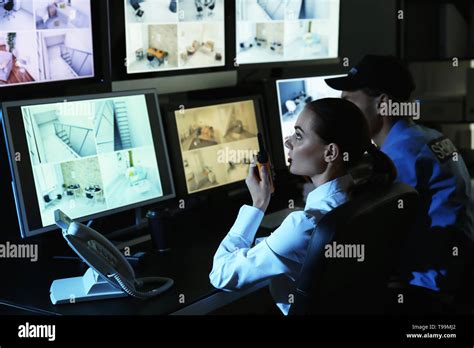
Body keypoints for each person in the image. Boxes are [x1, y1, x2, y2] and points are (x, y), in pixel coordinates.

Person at [209, 98, 396, 315]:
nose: (288, 142)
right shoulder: (366, 197)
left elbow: (221, 275)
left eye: (299, 136)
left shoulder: (303, 225)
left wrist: (258, 204)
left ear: (330, 153)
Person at [325, 55, 474, 307]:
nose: (344, 112)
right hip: (457, 272)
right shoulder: (427, 137)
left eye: (349, 102)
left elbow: (365, 230)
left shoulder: (402, 154)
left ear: (383, 104)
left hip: (426, 287)